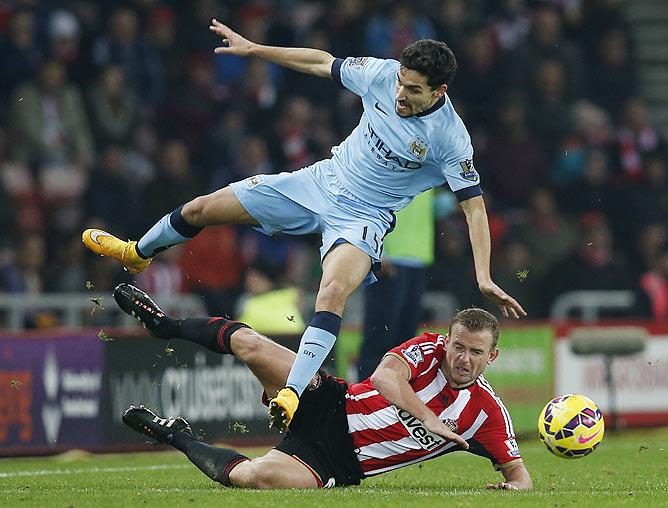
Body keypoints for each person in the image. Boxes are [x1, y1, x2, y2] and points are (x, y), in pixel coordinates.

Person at [83, 20, 527, 431]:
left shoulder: (450, 138)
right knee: (202, 209)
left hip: (363, 219)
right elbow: (320, 61)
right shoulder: (381, 73)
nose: (399, 95)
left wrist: (483, 274)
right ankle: (136, 253)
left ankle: (291, 393)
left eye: (412, 90)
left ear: (439, 91)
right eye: (400, 84)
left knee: (331, 292)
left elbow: (473, 206)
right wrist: (255, 49)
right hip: (317, 182)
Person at [115, 283, 533, 490]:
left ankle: (175, 434)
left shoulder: (487, 414)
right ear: (448, 340)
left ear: (490, 357)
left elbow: (520, 475)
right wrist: (429, 420)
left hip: (335, 461)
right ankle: (164, 325)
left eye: (476, 352)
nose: (463, 358)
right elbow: (385, 377)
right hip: (332, 401)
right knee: (250, 344)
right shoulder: (427, 349)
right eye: (458, 346)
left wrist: (510, 488)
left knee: (256, 477)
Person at [357, 189, 434, 380]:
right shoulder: (392, 160)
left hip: (417, 258)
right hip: (389, 261)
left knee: (406, 340)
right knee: (380, 335)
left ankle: (397, 400)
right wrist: (377, 249)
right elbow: (365, 197)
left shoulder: (432, 163)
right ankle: (364, 396)